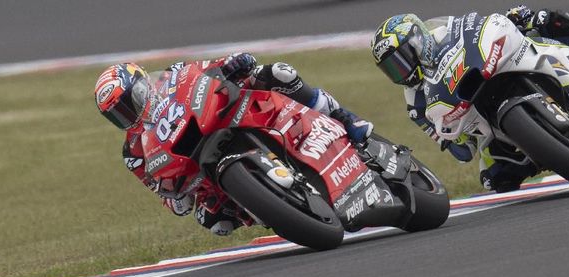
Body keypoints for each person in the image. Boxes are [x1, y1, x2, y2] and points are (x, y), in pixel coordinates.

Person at [370, 6, 569, 192]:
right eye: (392, 68)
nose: (401, 70)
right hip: (488, 123)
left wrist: (516, 17)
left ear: (419, 40)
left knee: (549, 19)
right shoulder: (415, 104)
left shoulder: (447, 32)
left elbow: (478, 27)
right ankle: (547, 151)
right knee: (493, 180)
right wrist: (455, 138)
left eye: (402, 58)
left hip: (512, 62)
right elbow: (461, 152)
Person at [94, 54, 373, 235]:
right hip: (198, 167)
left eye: (130, 103)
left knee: (280, 73)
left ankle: (344, 118)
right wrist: (173, 196)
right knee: (213, 221)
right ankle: (274, 206)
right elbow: (169, 200)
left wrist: (233, 63)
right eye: (118, 114)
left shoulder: (171, 75)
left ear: (143, 84)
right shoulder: (134, 153)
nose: (128, 115)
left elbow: (206, 68)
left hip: (221, 113)